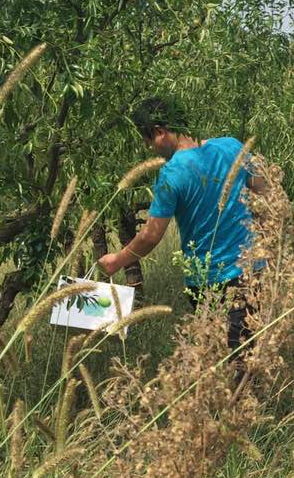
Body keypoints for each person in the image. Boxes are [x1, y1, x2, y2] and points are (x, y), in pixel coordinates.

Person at [97, 96, 263, 351]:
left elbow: (151, 235)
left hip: (209, 283)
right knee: (248, 353)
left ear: (160, 132)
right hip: (253, 271)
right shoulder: (232, 146)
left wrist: (117, 260)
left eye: (147, 141)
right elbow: (266, 190)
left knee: (222, 359)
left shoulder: (171, 174)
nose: (150, 148)